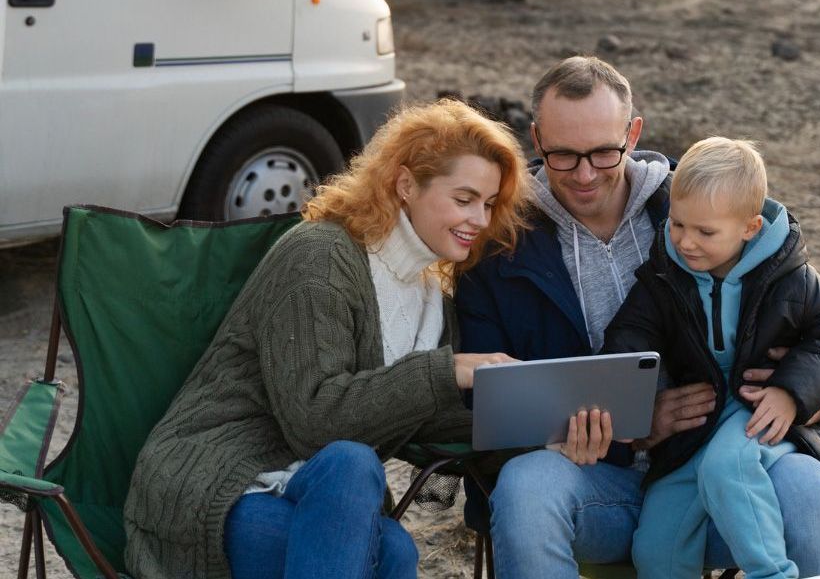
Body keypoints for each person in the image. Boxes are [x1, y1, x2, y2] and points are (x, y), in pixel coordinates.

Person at [455, 56, 820, 578]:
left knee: (807, 488)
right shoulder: (498, 243)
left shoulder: (701, 202)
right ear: (535, 139)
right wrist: (628, 424)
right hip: (593, 482)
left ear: (633, 132)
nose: (584, 173)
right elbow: (482, 402)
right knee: (527, 486)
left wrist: (803, 392)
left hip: (721, 475)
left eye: (603, 152)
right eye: (562, 155)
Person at [123, 99, 529, 579]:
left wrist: (534, 425)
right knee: (360, 481)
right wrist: (448, 369)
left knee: (391, 544)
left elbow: (420, 411)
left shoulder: (429, 288)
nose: (481, 220)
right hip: (219, 483)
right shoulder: (321, 259)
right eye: (464, 200)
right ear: (405, 185)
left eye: (487, 203)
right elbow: (316, 423)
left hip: (325, 495)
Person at [603, 137, 820, 579]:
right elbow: (629, 334)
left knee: (730, 466)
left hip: (756, 411)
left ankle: (772, 573)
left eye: (705, 232)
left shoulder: (790, 277)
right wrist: (621, 388)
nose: (685, 241)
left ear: (750, 228)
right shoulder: (663, 276)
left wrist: (790, 391)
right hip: (694, 432)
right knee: (656, 544)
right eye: (678, 224)